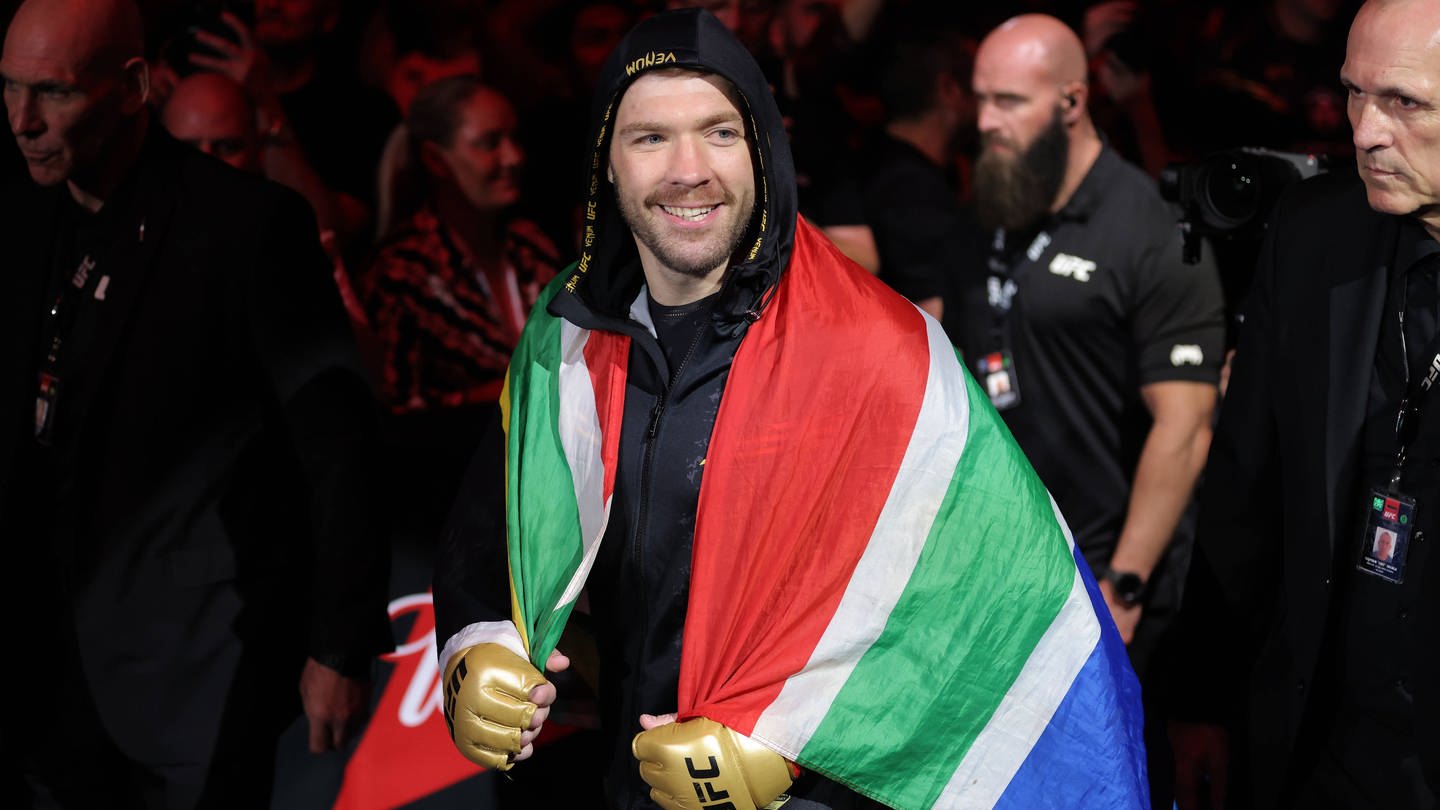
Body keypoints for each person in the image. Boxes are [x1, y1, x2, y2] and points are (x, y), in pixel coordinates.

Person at [434, 8, 1148, 809]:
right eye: (649, 138)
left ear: (764, 150)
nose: (687, 169)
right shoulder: (563, 338)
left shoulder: (880, 349)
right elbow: (492, 530)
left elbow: (994, 609)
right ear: (606, 161)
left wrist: (788, 746)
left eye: (719, 132)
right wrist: (478, 641)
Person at [0, 0, 392, 806]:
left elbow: (340, 447)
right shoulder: (23, 217)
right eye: (8, 89)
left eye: (54, 92)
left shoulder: (247, 228)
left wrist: (340, 648)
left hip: (199, 674)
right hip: (44, 676)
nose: (23, 120)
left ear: (133, 85)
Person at [948, 14, 1226, 808]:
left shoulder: (1150, 230)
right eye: (979, 99)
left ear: (1073, 101)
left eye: (1009, 101)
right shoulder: (994, 207)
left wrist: (1124, 588)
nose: (985, 121)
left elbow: (1186, 427)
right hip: (999, 584)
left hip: (1106, 588)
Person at [1168, 2, 1440, 807]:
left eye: (1404, 102)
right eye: (1355, 94)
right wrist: (1200, 697)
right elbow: (1244, 483)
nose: (1363, 131)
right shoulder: (1316, 234)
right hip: (1318, 752)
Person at [862, 27, 980, 323]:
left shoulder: (881, 156)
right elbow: (934, 307)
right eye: (984, 92)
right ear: (950, 90)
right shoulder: (909, 188)